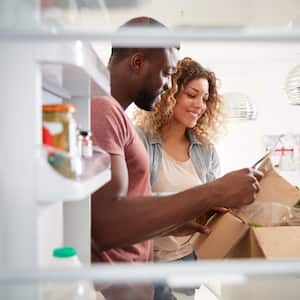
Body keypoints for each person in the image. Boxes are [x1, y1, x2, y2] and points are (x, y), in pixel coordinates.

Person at [91, 16, 262, 300]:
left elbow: (129, 206)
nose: (169, 84)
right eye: (166, 72)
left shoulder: (112, 114)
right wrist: (214, 191)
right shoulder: (104, 111)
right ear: (137, 62)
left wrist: (173, 221)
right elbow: (106, 225)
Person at [134, 57, 224, 264]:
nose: (200, 105)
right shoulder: (141, 140)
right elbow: (133, 204)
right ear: (169, 95)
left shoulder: (205, 150)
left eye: (205, 99)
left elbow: (212, 205)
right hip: (149, 260)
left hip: (190, 257)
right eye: (192, 95)